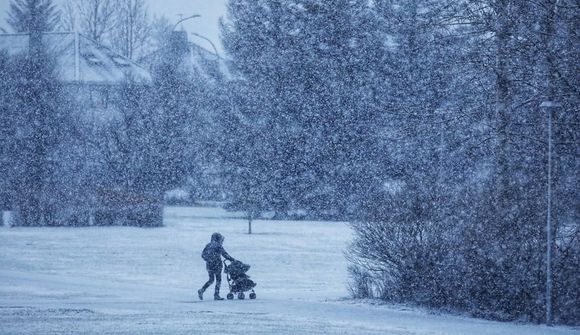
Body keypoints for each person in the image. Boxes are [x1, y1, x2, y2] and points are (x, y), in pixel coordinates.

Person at [198, 232, 235, 300]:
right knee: (218, 279)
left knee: (211, 279)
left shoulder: (208, 245)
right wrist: (232, 259)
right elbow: (224, 254)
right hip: (217, 264)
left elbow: (203, 255)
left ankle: (202, 290)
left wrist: (208, 260)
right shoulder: (218, 245)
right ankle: (216, 294)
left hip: (209, 265)